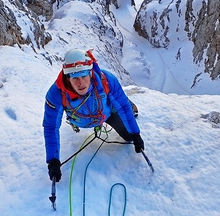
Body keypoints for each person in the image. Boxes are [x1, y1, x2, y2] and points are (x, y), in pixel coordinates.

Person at [43, 48, 144, 182]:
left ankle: (117, 100)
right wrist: (53, 160)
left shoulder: (106, 80)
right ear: (68, 78)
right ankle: (115, 101)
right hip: (83, 119)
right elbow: (50, 126)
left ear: (90, 73)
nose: (80, 83)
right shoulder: (56, 94)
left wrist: (135, 134)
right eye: (75, 78)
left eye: (84, 76)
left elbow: (124, 107)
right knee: (119, 107)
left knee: (128, 134)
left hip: (106, 113)